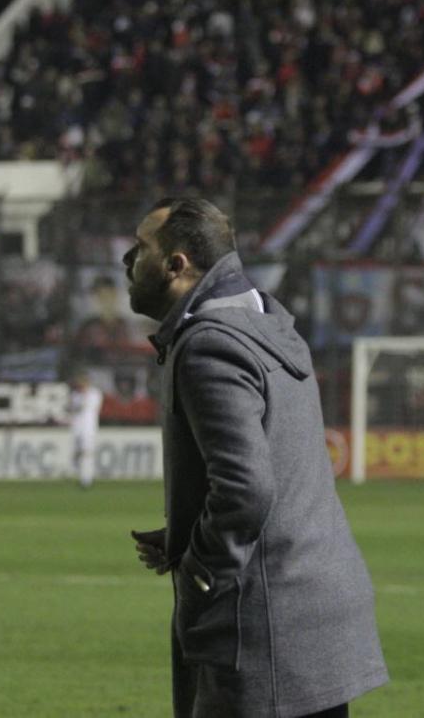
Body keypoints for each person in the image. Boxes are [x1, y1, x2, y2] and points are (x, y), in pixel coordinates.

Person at [125, 197, 388, 717]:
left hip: (262, 621)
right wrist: (185, 527)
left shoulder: (208, 345)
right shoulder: (270, 324)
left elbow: (246, 490)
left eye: (140, 249)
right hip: (317, 606)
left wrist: (202, 571)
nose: (130, 263)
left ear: (177, 265)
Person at [67, 370, 103, 488]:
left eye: (82, 382)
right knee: (77, 454)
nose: (80, 385)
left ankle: (86, 479)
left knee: (87, 453)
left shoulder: (94, 394)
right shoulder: (75, 395)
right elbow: (72, 409)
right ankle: (78, 474)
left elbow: (92, 407)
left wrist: (84, 398)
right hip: (77, 428)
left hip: (89, 429)